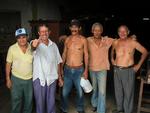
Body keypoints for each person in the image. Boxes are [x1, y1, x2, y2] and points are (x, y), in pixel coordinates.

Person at [111, 25, 148, 113]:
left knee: (128, 93)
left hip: (128, 70)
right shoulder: (115, 42)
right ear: (118, 32)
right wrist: (112, 59)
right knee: (118, 92)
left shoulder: (133, 42)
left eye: (124, 31)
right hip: (117, 70)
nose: (122, 33)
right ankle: (120, 110)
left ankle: (127, 111)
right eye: (120, 31)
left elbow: (145, 52)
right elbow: (112, 51)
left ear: (128, 32)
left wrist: (138, 65)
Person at [31, 24, 63, 113]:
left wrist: (60, 78)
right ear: (38, 33)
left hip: (52, 78)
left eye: (46, 31)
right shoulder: (35, 43)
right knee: (40, 104)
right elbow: (32, 48)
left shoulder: (54, 45)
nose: (44, 33)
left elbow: (58, 62)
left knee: (51, 103)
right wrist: (35, 44)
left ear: (49, 32)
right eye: (42, 31)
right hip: (39, 78)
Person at [60, 19, 88, 113]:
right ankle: (64, 108)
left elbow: (86, 55)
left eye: (76, 27)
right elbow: (64, 54)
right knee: (64, 93)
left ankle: (80, 109)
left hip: (79, 70)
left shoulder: (83, 40)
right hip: (67, 69)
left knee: (80, 92)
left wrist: (86, 70)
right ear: (70, 28)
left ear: (79, 28)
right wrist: (61, 68)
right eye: (72, 27)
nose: (74, 28)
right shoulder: (67, 39)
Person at [87, 22, 114, 113]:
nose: (97, 32)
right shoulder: (87, 40)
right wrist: (64, 37)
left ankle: (101, 110)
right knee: (94, 89)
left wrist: (131, 38)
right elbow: (78, 40)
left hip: (102, 69)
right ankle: (94, 104)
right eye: (95, 30)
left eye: (99, 30)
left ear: (101, 31)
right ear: (92, 31)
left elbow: (119, 41)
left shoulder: (106, 40)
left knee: (102, 91)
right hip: (92, 68)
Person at [6, 28, 33, 113]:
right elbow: (8, 64)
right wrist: (8, 79)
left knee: (29, 102)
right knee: (16, 101)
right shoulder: (12, 48)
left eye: (23, 37)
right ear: (16, 38)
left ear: (27, 37)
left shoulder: (32, 47)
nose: (21, 39)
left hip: (29, 80)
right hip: (16, 79)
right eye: (19, 37)